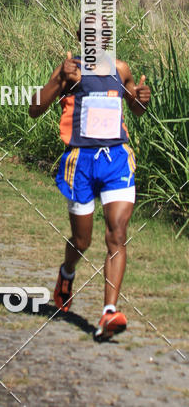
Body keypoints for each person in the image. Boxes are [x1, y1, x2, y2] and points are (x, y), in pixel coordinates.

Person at [30, 29, 150, 340]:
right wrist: (59, 81)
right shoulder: (69, 68)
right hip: (80, 162)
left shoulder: (120, 69)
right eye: (91, 34)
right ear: (82, 37)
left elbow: (136, 108)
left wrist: (140, 100)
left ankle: (109, 312)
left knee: (117, 235)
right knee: (82, 241)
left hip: (117, 159)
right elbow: (34, 108)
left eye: (103, 34)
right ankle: (67, 273)